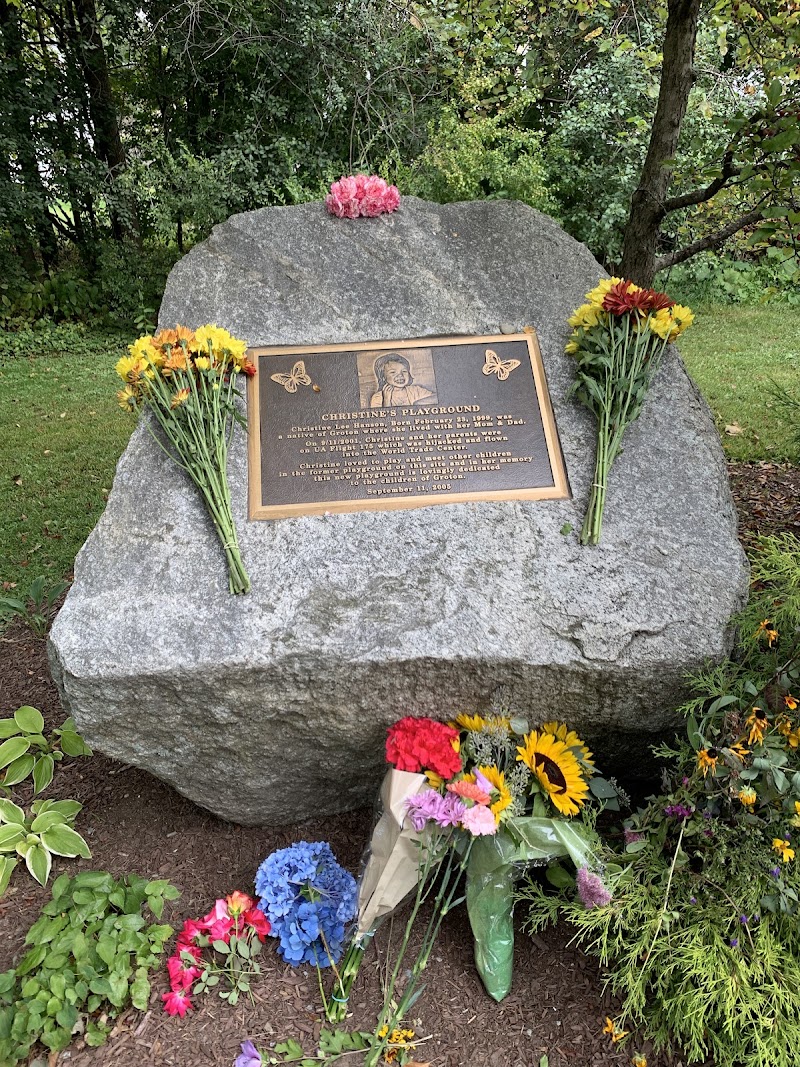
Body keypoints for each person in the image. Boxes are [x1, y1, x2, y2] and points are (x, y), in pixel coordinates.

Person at [369, 353, 434, 408]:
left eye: (404, 371)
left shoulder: (416, 391)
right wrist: (386, 400)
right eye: (393, 372)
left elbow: (435, 398)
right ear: (383, 377)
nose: (400, 375)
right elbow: (383, 420)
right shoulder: (378, 397)